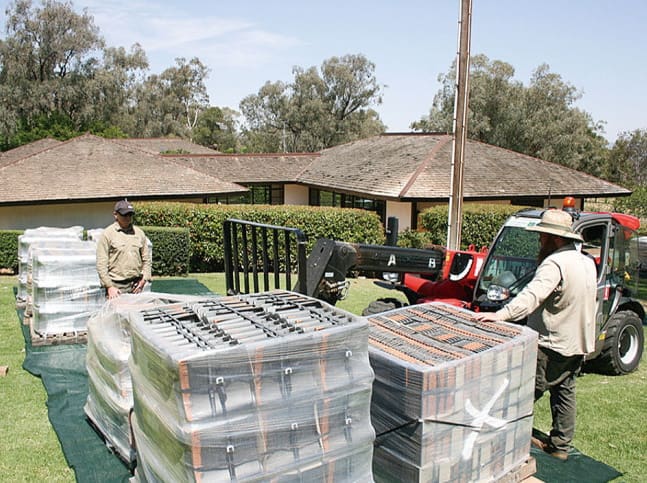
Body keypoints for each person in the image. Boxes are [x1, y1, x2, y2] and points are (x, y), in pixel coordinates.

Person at [475, 209, 597, 461]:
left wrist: (501, 315)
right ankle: (561, 445)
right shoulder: (585, 261)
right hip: (578, 342)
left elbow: (532, 296)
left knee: (522, 393)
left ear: (555, 239)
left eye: (543, 236)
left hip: (551, 343)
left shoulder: (555, 263)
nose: (540, 241)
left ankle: (501, 444)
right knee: (564, 391)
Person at [96, 200, 151, 299]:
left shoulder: (139, 233)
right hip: (116, 287)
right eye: (124, 215)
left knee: (135, 313)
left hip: (136, 286)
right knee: (117, 314)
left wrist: (144, 279)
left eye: (130, 215)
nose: (128, 217)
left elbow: (146, 259)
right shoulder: (107, 234)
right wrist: (109, 287)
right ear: (115, 215)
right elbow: (101, 264)